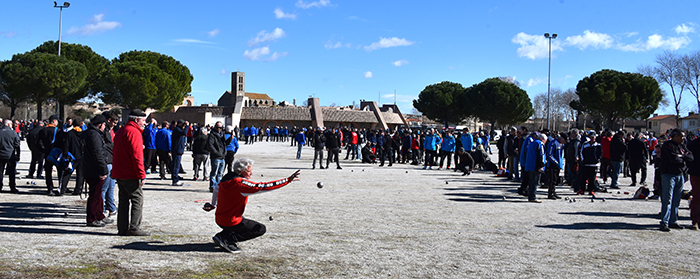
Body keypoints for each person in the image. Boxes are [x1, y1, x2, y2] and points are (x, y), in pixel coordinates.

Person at [203, 158, 300, 253]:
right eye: (249, 171)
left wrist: (212, 205)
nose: (251, 173)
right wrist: (288, 180)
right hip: (230, 221)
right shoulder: (239, 184)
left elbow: (216, 189)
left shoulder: (227, 177)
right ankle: (227, 239)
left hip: (220, 218)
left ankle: (222, 235)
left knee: (242, 220)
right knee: (260, 229)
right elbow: (264, 186)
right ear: (241, 171)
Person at [112, 109, 149, 236]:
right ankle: (134, 227)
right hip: (130, 173)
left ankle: (122, 228)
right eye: (143, 120)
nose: (145, 123)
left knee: (123, 201)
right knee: (137, 199)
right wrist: (141, 174)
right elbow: (137, 156)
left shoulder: (121, 131)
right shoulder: (134, 132)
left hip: (120, 172)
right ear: (136, 120)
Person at [658, 129, 693, 232]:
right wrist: (683, 158)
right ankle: (664, 222)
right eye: (681, 136)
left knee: (676, 200)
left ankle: (673, 221)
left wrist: (682, 156)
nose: (683, 138)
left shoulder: (682, 146)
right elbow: (673, 159)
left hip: (680, 175)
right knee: (667, 199)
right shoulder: (668, 145)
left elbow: (691, 157)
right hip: (669, 174)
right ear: (675, 136)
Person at [82, 115, 113, 227]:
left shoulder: (91, 133)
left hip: (92, 168)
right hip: (94, 169)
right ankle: (92, 218)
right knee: (95, 195)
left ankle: (99, 215)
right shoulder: (94, 135)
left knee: (99, 194)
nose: (105, 127)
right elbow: (97, 154)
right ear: (100, 125)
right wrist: (103, 170)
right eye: (104, 125)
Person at [38, 115, 64, 196]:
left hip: (47, 153)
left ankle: (50, 188)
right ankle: (61, 187)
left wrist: (44, 150)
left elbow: (38, 142)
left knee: (48, 172)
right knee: (60, 171)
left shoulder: (42, 130)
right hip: (56, 153)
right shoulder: (58, 131)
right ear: (53, 121)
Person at [60, 117, 85, 195]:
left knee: (67, 173)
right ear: (81, 124)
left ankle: (62, 189)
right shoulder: (84, 134)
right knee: (80, 174)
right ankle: (78, 190)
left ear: (73, 124)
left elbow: (66, 146)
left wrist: (65, 155)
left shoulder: (70, 134)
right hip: (82, 156)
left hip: (72, 156)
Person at [101, 111, 119, 218]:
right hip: (107, 161)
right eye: (114, 122)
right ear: (108, 120)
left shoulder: (111, 131)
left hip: (112, 161)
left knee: (111, 187)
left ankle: (111, 207)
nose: (115, 125)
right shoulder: (105, 132)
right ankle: (102, 209)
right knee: (104, 188)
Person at [207, 121, 232, 192]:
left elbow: (225, 143)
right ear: (215, 127)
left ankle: (218, 187)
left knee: (220, 173)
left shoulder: (222, 134)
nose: (219, 129)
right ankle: (212, 186)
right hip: (216, 157)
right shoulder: (212, 135)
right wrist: (216, 152)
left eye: (221, 128)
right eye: (218, 127)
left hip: (222, 156)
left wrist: (230, 139)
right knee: (214, 173)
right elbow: (210, 145)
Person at [577, 131, 602, 197]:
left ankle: (591, 190)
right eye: (591, 137)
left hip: (594, 165)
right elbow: (581, 152)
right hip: (586, 164)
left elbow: (600, 154)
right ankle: (582, 189)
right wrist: (583, 160)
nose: (592, 139)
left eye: (593, 137)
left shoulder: (598, 145)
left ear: (595, 137)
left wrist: (598, 160)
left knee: (592, 178)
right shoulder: (585, 144)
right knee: (583, 178)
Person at [525, 133, 547, 203]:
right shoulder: (540, 144)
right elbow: (542, 155)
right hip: (535, 166)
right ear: (543, 139)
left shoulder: (532, 143)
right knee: (535, 182)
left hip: (529, 165)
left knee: (531, 181)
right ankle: (533, 196)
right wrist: (542, 165)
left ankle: (530, 195)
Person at [0, 119, 20, 194]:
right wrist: (18, 155)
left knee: (0, 171)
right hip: (10, 155)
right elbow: (17, 145)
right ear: (9, 124)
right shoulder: (13, 133)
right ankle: (12, 186)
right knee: (11, 172)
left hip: (1, 155)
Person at [686, 135, 700, 230]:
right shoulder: (694, 144)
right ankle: (695, 220)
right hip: (696, 173)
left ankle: (696, 220)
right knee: (697, 197)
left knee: (697, 197)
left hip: (695, 172)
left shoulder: (692, 144)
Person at [545, 133, 565, 199]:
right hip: (552, 165)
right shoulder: (553, 143)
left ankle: (553, 192)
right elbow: (550, 154)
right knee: (552, 179)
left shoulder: (561, 144)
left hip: (558, 165)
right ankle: (550, 193)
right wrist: (555, 162)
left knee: (555, 180)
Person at [170, 119, 189, 186]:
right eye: (183, 125)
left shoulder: (178, 130)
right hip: (176, 150)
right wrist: (187, 126)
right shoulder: (177, 129)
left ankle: (175, 177)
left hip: (178, 150)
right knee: (176, 165)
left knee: (176, 165)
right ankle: (175, 180)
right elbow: (184, 133)